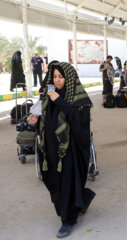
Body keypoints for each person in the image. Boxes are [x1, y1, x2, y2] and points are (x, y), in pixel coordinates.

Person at [27, 62, 95, 238]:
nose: (57, 80)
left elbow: (81, 123)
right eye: (55, 77)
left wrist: (60, 101)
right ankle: (82, 199)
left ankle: (68, 220)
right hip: (50, 148)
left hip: (69, 150)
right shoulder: (47, 97)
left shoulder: (78, 98)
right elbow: (43, 120)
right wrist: (35, 121)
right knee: (52, 181)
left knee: (66, 183)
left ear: (69, 78)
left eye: (61, 77)